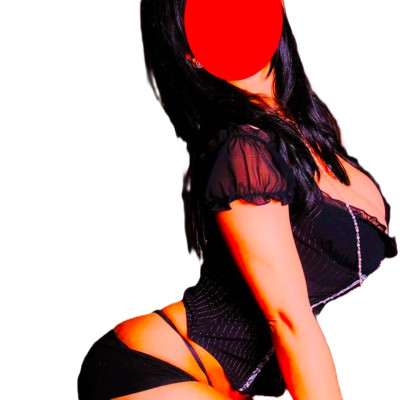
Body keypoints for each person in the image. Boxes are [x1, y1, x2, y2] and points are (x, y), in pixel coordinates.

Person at [77, 1, 398, 399]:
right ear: (189, 53)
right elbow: (288, 320)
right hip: (153, 368)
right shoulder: (245, 152)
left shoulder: (311, 134)